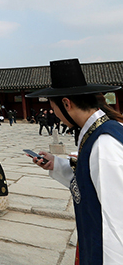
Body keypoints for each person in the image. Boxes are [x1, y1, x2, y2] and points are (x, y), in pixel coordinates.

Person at [27, 59, 123, 264]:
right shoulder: (94, 132)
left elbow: (116, 220)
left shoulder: (104, 143)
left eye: (54, 107)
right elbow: (89, 179)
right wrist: (57, 164)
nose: (56, 115)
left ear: (66, 103)